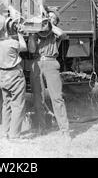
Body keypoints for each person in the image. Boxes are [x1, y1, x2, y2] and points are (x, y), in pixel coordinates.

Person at [30, 8, 70, 138]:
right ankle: (41, 127)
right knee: (38, 98)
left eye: (53, 18)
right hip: (37, 63)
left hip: (51, 63)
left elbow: (62, 34)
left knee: (57, 98)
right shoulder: (37, 33)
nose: (50, 18)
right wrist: (32, 33)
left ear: (56, 21)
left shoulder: (55, 33)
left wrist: (50, 24)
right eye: (48, 16)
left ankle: (65, 131)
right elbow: (31, 50)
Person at [0, 14, 27, 141]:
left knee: (7, 105)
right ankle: (15, 135)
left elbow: (3, 39)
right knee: (18, 105)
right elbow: (24, 47)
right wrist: (19, 33)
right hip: (15, 75)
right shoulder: (12, 43)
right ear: (4, 28)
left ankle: (5, 133)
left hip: (3, 75)